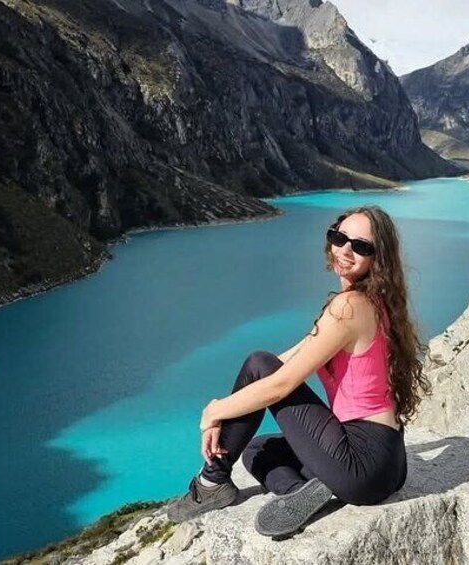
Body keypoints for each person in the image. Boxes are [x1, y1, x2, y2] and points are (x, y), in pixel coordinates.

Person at [166, 205, 431, 537]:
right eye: (339, 238)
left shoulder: (349, 307)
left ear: (378, 257)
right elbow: (290, 359)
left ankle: (212, 481)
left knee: (258, 362)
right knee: (257, 450)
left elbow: (280, 382)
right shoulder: (373, 301)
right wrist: (236, 404)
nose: (345, 250)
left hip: (361, 461)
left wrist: (214, 411)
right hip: (389, 466)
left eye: (361, 246)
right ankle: (300, 493)